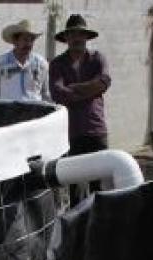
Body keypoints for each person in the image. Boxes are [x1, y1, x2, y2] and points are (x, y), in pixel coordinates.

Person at [49, 14, 111, 202]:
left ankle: (100, 226)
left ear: (86, 37)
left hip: (96, 129)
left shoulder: (98, 58)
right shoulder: (58, 63)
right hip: (71, 131)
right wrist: (90, 89)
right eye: (72, 34)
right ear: (66, 38)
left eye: (80, 34)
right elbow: (57, 93)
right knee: (76, 186)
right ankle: (78, 228)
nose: (77, 38)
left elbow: (104, 82)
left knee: (100, 185)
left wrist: (74, 88)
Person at [0, 19, 50, 102]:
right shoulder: (0, 63)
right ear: (15, 41)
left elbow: (45, 92)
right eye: (25, 40)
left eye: (31, 40)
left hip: (34, 111)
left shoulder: (41, 63)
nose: (28, 44)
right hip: (9, 112)